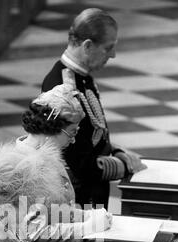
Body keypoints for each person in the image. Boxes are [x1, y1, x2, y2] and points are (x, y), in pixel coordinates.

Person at [42, 8, 147, 209]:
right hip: (77, 198)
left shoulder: (81, 77)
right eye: (108, 48)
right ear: (88, 45)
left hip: (92, 191)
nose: (113, 55)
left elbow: (92, 134)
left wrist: (116, 152)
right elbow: (75, 160)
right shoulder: (62, 86)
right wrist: (124, 167)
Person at [17, 83, 113, 242]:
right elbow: (34, 232)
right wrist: (86, 228)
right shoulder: (28, 167)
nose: (74, 139)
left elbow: (54, 210)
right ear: (53, 127)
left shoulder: (47, 154)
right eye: (73, 132)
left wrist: (86, 215)